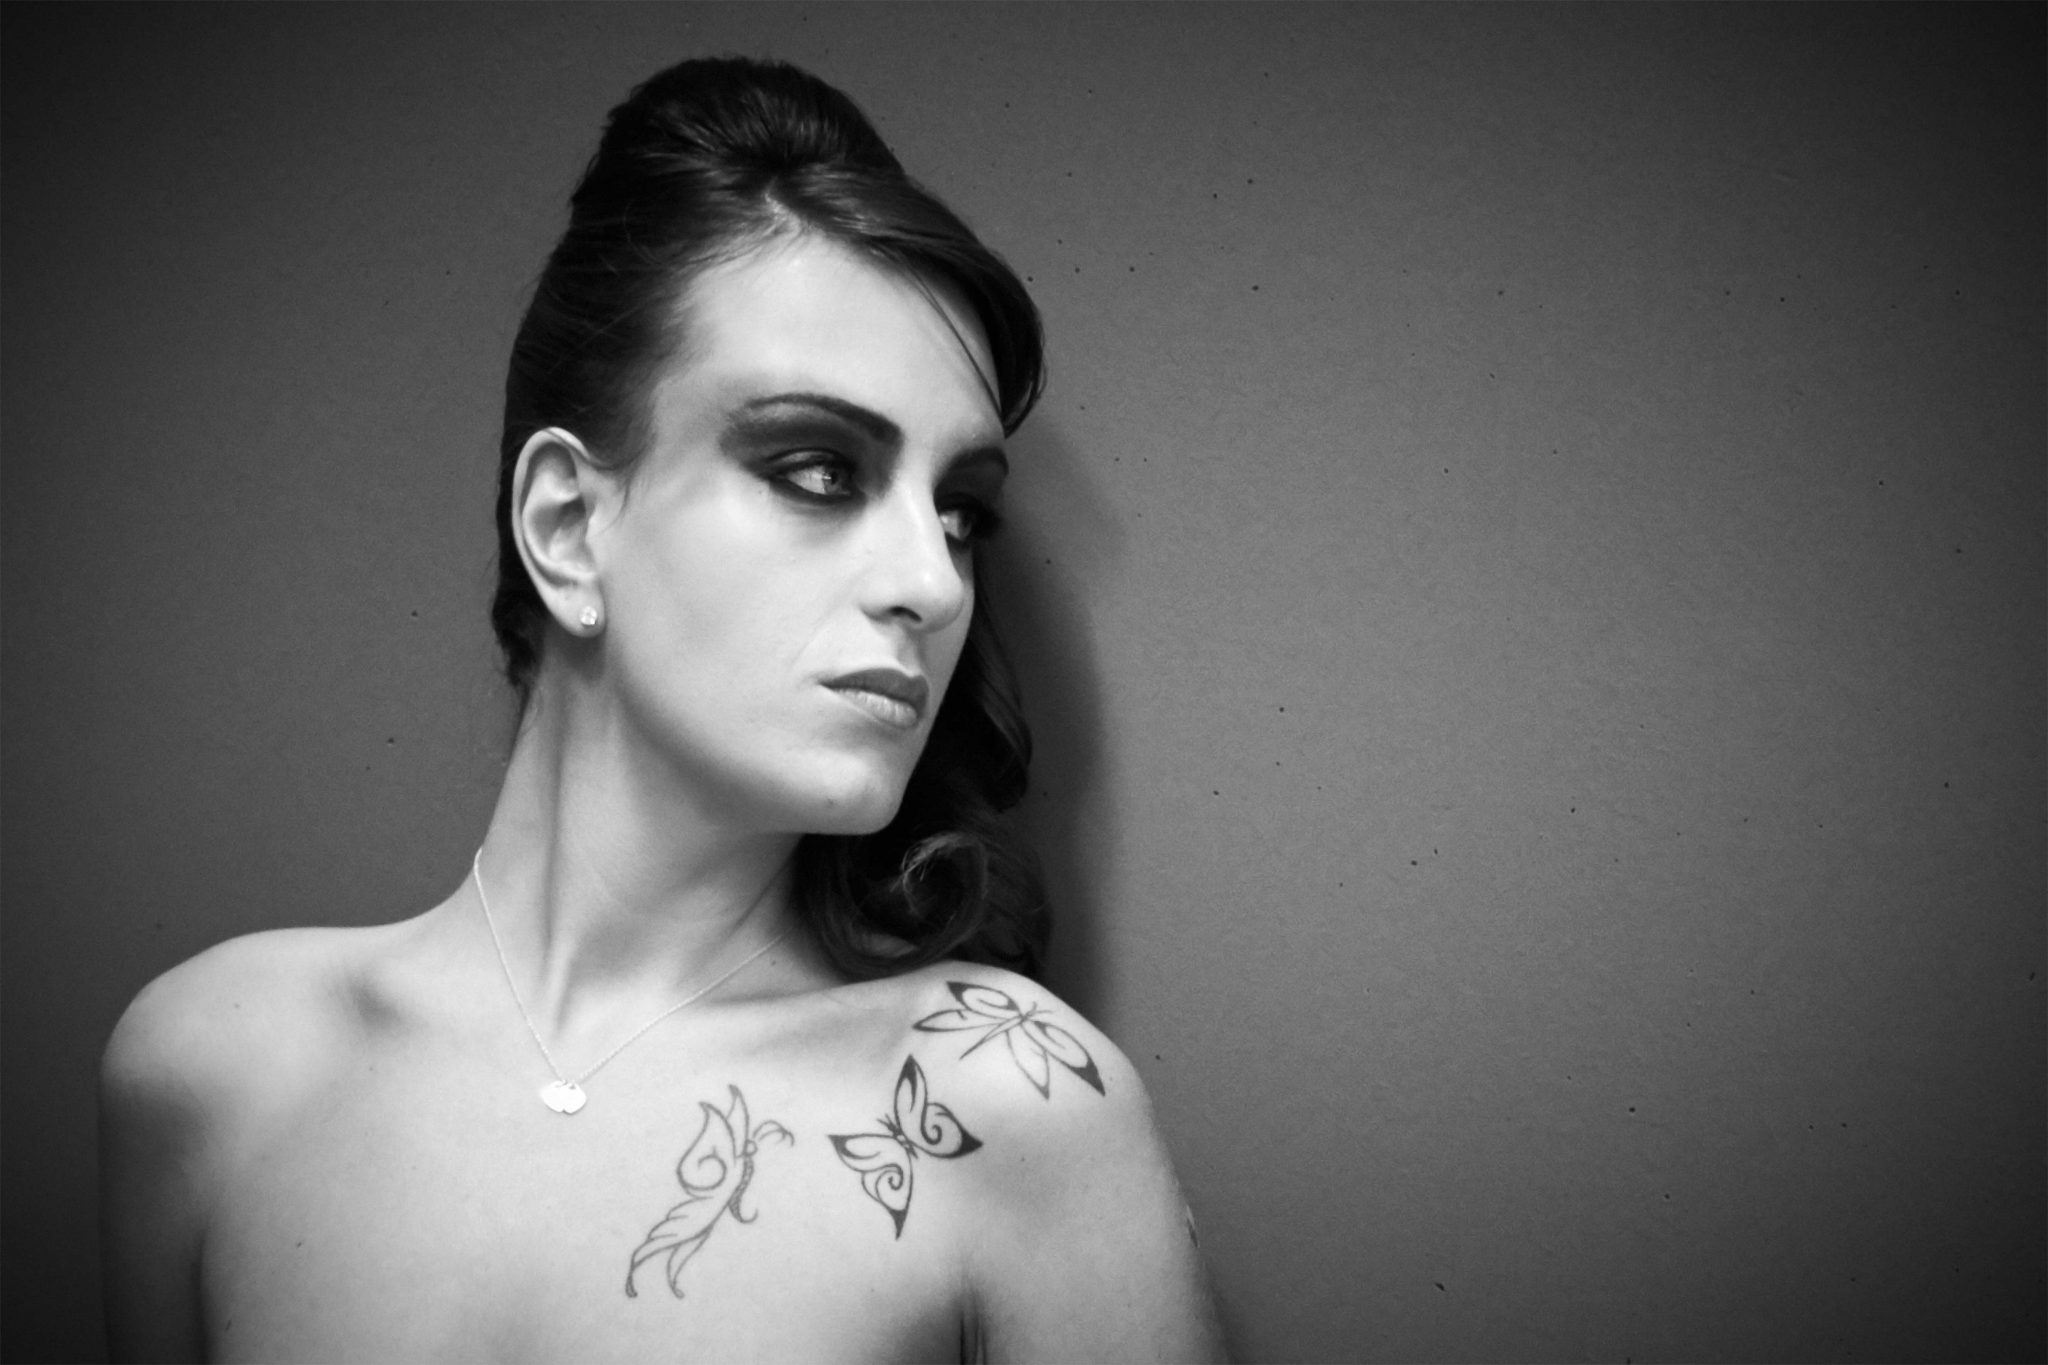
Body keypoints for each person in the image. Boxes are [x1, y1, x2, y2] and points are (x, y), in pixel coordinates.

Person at [98, 56, 1224, 1364]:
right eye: (819, 469)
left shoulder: (1012, 1111)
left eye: (960, 511)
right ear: (569, 527)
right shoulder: (213, 1069)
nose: (931, 582)